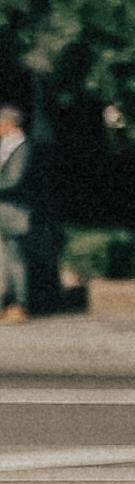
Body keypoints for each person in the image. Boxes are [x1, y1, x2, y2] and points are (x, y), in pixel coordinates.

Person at [0, 102, 28, 321]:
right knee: (5, 260)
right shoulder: (7, 147)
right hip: (5, 212)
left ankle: (20, 303)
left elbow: (14, 180)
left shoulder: (21, 148)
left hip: (14, 212)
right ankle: (7, 302)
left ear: (9, 124)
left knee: (15, 259)